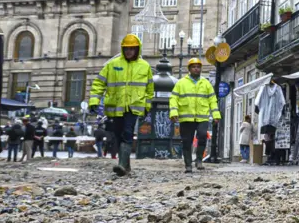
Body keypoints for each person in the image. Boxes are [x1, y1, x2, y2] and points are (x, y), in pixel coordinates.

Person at [89, 33, 154, 177]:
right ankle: (126, 166)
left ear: (137, 49)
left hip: (134, 107)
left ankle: (122, 165)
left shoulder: (144, 66)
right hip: (115, 107)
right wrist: (94, 100)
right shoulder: (113, 65)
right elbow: (99, 83)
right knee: (118, 135)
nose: (129, 51)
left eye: (132, 48)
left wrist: (146, 107)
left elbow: (149, 90)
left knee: (127, 133)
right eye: (126, 48)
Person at [170, 57, 221, 173]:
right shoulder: (181, 83)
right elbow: (174, 98)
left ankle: (199, 160)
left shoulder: (206, 83)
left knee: (202, 136)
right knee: (186, 141)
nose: (196, 69)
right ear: (189, 69)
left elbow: (212, 100)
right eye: (194, 67)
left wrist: (216, 115)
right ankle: (188, 164)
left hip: (202, 117)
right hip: (186, 117)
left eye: (198, 67)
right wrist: (174, 112)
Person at [254, 79, 284, 166]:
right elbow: (282, 102)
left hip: (264, 119)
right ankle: (274, 157)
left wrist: (260, 113)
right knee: (274, 137)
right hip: (275, 119)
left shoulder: (263, 89)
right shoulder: (278, 89)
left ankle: (270, 156)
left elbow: (257, 103)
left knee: (267, 138)